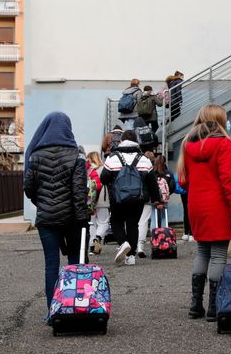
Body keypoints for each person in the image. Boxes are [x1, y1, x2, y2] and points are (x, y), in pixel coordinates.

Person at [177, 104, 231, 322]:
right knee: (218, 254)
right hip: (218, 204)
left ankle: (196, 305)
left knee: (202, 252)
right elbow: (228, 179)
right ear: (220, 120)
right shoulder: (224, 143)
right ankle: (215, 307)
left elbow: (183, 180)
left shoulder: (187, 143)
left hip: (196, 204)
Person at [23, 112, 88, 325]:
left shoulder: (35, 156)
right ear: (67, 128)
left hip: (46, 220)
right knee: (74, 264)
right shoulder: (76, 155)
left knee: (51, 264)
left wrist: (42, 204)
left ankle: (53, 312)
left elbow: (28, 188)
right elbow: (79, 193)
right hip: (71, 219)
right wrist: (82, 221)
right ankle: (75, 306)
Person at [100, 130, 162, 266]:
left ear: (121, 141)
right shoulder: (144, 159)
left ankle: (123, 243)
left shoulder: (113, 157)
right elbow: (152, 182)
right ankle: (131, 256)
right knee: (133, 224)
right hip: (138, 198)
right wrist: (157, 199)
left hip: (118, 198)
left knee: (116, 221)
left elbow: (103, 178)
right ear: (136, 141)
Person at [87, 151, 110, 255]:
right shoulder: (103, 169)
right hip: (102, 198)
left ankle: (92, 246)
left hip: (89, 199)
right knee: (103, 222)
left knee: (92, 223)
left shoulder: (87, 170)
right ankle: (99, 237)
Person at [136, 151, 158, 258]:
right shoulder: (148, 165)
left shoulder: (132, 163)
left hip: (130, 196)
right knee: (143, 223)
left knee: (131, 222)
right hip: (145, 197)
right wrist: (156, 198)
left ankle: (129, 244)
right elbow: (153, 183)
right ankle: (140, 246)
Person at [153, 155, 173, 227]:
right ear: (164, 162)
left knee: (154, 216)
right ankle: (164, 235)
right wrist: (167, 194)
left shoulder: (152, 172)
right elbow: (172, 186)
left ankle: (154, 235)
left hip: (154, 198)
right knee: (164, 216)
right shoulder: (168, 173)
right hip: (164, 198)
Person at [174, 172, 192, 241]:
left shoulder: (181, 168)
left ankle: (186, 233)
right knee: (190, 211)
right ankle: (191, 234)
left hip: (183, 190)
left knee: (186, 211)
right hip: (190, 190)